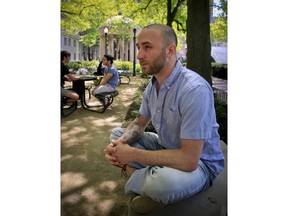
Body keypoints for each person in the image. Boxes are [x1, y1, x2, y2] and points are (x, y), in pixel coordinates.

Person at [103, 24, 225, 214]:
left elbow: (189, 159)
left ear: (170, 50)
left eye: (147, 47)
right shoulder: (152, 86)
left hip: (200, 164)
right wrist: (119, 145)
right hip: (166, 146)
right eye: (138, 48)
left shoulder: (194, 89)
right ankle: (149, 178)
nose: (139, 55)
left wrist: (130, 157)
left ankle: (135, 174)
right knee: (117, 133)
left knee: (163, 183)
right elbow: (140, 122)